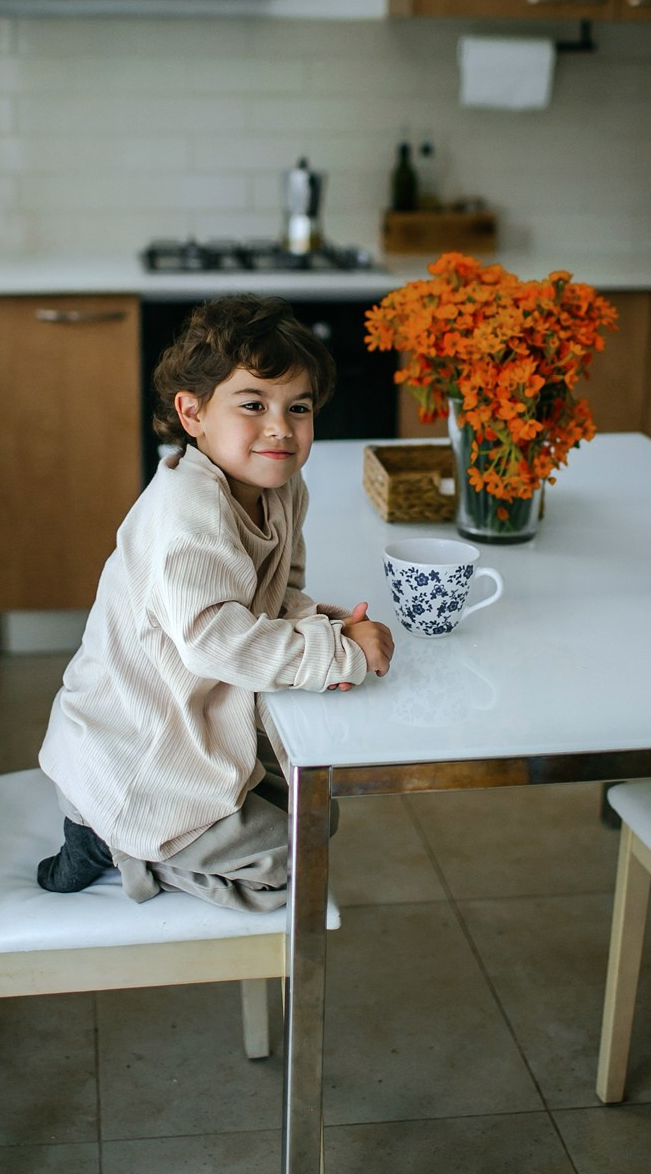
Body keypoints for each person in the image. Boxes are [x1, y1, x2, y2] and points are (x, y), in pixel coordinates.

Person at [37, 294, 394, 910]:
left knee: (319, 810)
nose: (280, 427)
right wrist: (339, 656)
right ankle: (110, 840)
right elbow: (215, 640)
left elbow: (276, 595)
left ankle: (147, 837)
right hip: (137, 752)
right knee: (297, 858)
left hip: (195, 717)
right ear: (193, 413)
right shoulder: (187, 515)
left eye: (299, 407)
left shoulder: (278, 485)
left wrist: (331, 627)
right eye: (253, 404)